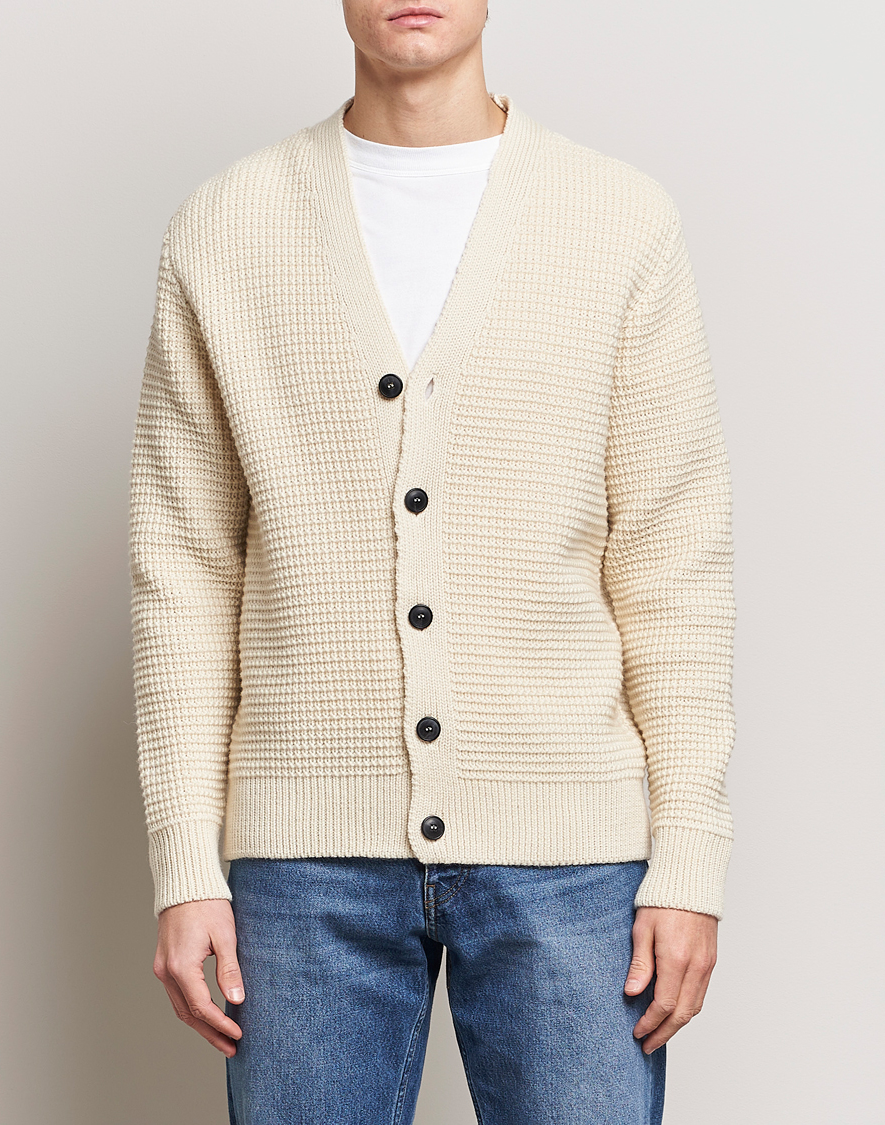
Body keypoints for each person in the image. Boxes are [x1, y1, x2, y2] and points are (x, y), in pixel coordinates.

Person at [128, 3, 736, 1122]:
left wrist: (690, 855)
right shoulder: (224, 226)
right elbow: (184, 570)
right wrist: (184, 862)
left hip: (574, 855)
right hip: (302, 864)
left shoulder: (619, 221)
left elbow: (674, 565)